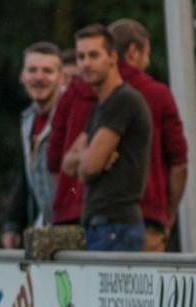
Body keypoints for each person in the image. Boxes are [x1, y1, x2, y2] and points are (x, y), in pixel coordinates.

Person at [62, 24, 152, 251]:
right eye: (81, 57)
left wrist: (88, 159)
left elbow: (88, 168)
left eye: (94, 55)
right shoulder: (100, 107)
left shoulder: (123, 101)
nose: (86, 63)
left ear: (112, 57)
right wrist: (91, 154)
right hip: (99, 224)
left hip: (116, 225)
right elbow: (68, 165)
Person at [109, 19, 188, 251]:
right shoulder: (157, 94)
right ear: (133, 52)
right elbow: (179, 162)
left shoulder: (84, 92)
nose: (149, 61)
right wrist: (167, 214)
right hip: (146, 217)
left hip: (95, 220)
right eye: (147, 53)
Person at [2, 42, 63, 249]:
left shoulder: (71, 115)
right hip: (44, 228)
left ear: (61, 78)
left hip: (72, 229)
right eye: (33, 70)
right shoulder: (27, 120)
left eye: (48, 71)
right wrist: (13, 223)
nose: (39, 77)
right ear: (22, 76)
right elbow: (27, 178)